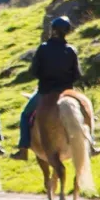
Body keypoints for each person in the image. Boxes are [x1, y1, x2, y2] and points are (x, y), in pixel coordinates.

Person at [13, 16, 88, 161]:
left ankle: (23, 148)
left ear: (52, 30)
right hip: (67, 92)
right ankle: (92, 145)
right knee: (87, 114)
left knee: (25, 115)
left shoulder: (43, 48)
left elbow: (33, 71)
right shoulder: (71, 50)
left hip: (45, 92)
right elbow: (77, 75)